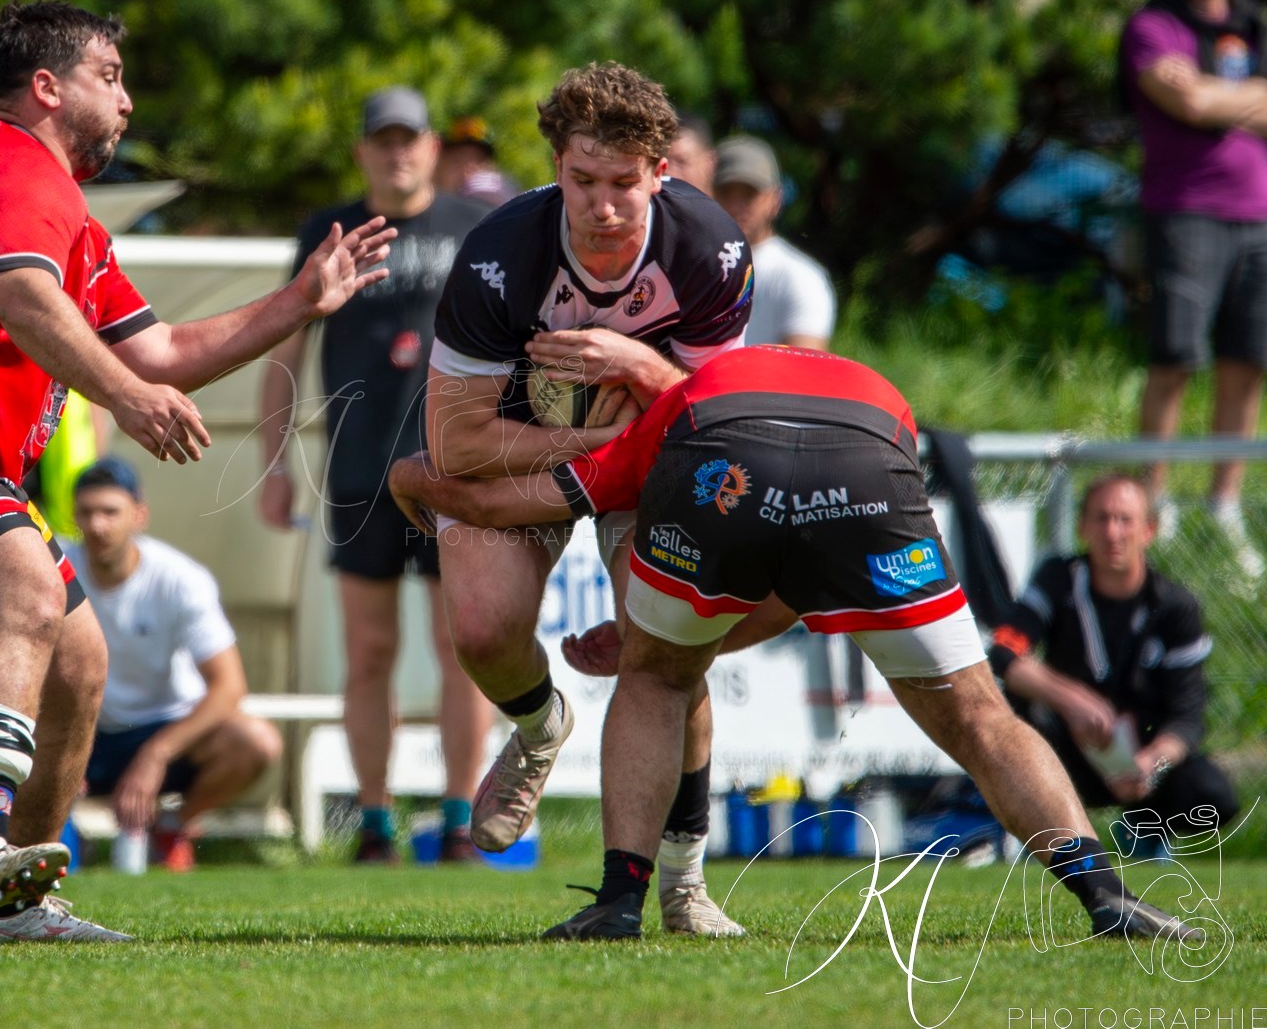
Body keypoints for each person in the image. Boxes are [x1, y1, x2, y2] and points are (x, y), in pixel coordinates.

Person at [0, 0, 391, 942]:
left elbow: (166, 350)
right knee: (25, 591)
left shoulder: (66, 213)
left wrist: (301, 302)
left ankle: (7, 905)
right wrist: (129, 400)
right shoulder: (16, 169)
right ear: (47, 87)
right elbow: (26, 300)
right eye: (111, 76)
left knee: (78, 663)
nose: (129, 100)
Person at [390, 345, 1205, 945]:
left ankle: (618, 903)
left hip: (720, 454)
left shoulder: (678, 413)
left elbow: (526, 499)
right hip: (870, 447)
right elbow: (800, 587)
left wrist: (421, 482)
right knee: (979, 713)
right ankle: (1105, 895)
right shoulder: (825, 375)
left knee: (656, 682)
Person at [424, 61, 752, 935]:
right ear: (555, 168)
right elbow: (454, 439)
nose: (603, 206)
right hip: (527, 446)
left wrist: (639, 368)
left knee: (671, 644)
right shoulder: (501, 254)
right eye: (582, 181)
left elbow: (717, 419)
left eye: (622, 184)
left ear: (661, 174)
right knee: (485, 629)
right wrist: (596, 441)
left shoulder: (709, 248)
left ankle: (683, 881)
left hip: (655, 460)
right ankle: (539, 724)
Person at [259, 87, 493, 864]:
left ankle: (461, 820)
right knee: (368, 652)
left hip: (456, 471)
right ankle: (375, 821)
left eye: (410, 139)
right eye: (382, 140)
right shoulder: (328, 233)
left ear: (433, 147)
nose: (397, 153)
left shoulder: (475, 229)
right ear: (363, 150)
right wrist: (274, 465)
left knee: (463, 642)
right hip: (359, 471)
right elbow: (282, 353)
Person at [1120, 0, 1267, 568]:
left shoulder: (1254, 25)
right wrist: (1243, 100)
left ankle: (1222, 504)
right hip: (1185, 213)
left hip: (1257, 216)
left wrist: (1213, 96)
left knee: (1248, 362)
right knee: (1176, 357)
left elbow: (1204, 98)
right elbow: (1188, 103)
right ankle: (1155, 500)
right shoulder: (1154, 25)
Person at [988, 474, 1239, 844]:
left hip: (1140, 755)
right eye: (1101, 518)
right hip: (1066, 750)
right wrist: (1072, 700)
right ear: (1083, 526)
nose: (1112, 532)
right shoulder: (1059, 579)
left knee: (1213, 795)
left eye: (1125, 520)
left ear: (1148, 530)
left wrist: (1150, 765)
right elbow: (1004, 652)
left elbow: (1187, 718)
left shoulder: (1175, 606)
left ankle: (1144, 830)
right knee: (1016, 706)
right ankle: (1042, 835)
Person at [72, 457, 281, 870]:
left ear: (140, 515)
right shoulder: (54, 570)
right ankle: (58, 843)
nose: (98, 526)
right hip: (85, 732)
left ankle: (171, 827)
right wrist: (57, 747)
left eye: (110, 512)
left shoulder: (180, 578)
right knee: (8, 740)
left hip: (167, 730)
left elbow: (229, 687)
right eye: (87, 512)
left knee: (258, 742)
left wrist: (156, 755)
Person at [712, 136, 836, 349]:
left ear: (775, 199)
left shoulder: (800, 276)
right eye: (726, 192)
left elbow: (804, 364)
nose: (735, 206)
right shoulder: (689, 265)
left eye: (749, 194)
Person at [436, 116, 519, 207]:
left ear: (490, 167)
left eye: (476, 162)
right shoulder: (424, 205)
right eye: (458, 160)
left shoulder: (498, 199)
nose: (466, 169)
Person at [665, 111, 717, 195]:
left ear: (710, 163)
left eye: (681, 162)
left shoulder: (729, 206)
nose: (669, 174)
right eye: (661, 164)